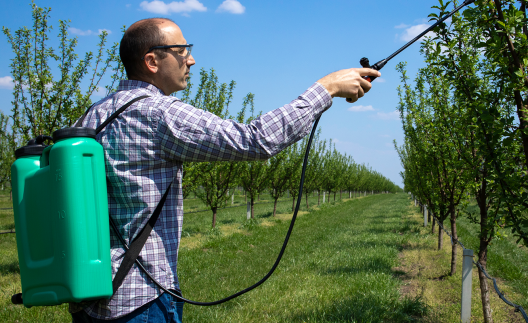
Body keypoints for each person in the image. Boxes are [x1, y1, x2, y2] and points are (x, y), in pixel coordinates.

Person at [70, 17, 380, 322]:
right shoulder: (155, 113)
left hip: (93, 292)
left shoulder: (94, 115)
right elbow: (254, 140)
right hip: (142, 299)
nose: (190, 60)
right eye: (181, 51)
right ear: (152, 61)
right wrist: (325, 89)